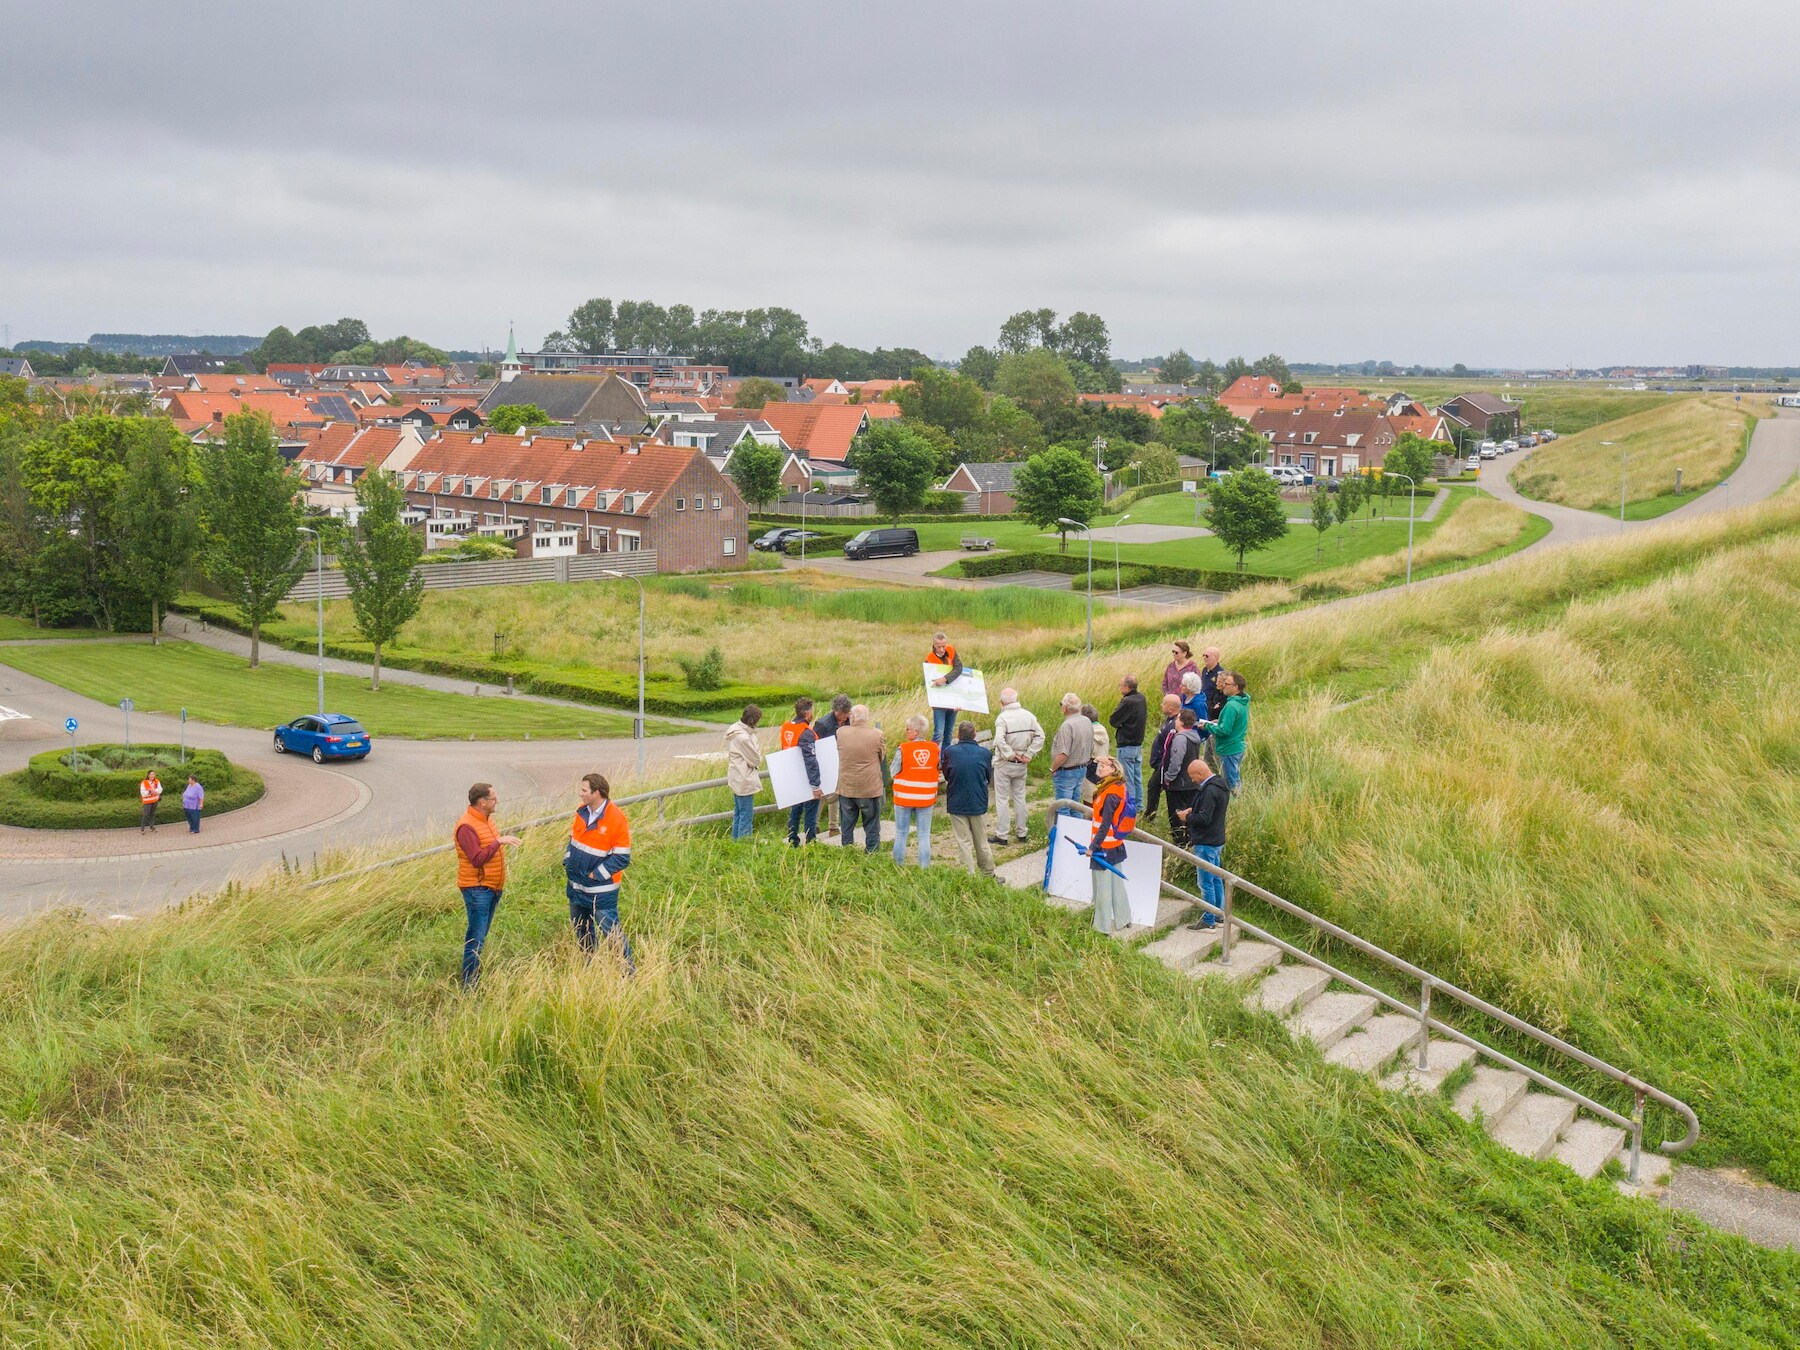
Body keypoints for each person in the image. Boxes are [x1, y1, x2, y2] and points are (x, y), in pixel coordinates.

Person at [454, 782, 523, 988]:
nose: (497, 801)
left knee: (480, 935)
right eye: (493, 798)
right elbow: (476, 859)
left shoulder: (486, 820)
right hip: (477, 889)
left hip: (491, 887)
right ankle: (469, 984)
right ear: (482, 802)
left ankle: (473, 975)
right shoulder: (467, 826)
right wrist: (498, 842)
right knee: (475, 938)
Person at [564, 772, 634, 971]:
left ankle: (627, 973)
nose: (581, 794)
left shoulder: (616, 818)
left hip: (600, 891)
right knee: (582, 931)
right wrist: (568, 859)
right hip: (577, 887)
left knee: (611, 933)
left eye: (584, 790)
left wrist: (596, 875)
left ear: (597, 793)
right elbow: (573, 839)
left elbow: (622, 857)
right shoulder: (581, 811)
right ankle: (589, 968)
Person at [1176, 758, 1232, 930]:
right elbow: (1212, 811)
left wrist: (1188, 817)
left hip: (1206, 842)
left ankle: (1208, 920)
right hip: (1217, 839)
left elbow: (1204, 818)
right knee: (1216, 879)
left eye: (1193, 777)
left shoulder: (1208, 791)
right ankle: (1218, 915)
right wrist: (1195, 810)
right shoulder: (1221, 784)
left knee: (1205, 882)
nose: (1192, 780)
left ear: (1201, 773)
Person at [988, 686, 1044, 844]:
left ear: (1002, 702)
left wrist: (1010, 754)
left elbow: (999, 740)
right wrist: (1029, 754)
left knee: (1002, 799)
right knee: (1020, 797)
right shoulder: (1029, 716)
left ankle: (1002, 834)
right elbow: (1040, 736)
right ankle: (1021, 833)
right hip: (1022, 762)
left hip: (1005, 762)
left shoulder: (1002, 718)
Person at [1086, 755, 1132, 935]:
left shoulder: (1110, 794)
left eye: (1105, 766)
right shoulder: (1116, 785)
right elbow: (1090, 773)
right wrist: (1095, 760)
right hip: (1115, 845)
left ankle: (1102, 927)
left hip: (1103, 846)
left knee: (1103, 888)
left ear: (1114, 769)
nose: (1101, 768)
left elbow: (1105, 825)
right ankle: (1124, 918)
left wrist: (1092, 847)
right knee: (1116, 884)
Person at [943, 719, 995, 877]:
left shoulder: (950, 752)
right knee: (981, 840)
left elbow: (947, 774)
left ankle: (969, 874)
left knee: (963, 841)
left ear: (958, 735)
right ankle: (988, 872)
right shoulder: (985, 753)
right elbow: (987, 776)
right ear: (975, 735)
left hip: (956, 800)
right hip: (978, 800)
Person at [835, 704, 887, 854]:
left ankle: (848, 851)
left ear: (852, 717)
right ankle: (872, 852)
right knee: (871, 825)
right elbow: (881, 757)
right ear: (867, 718)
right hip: (869, 788)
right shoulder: (877, 734)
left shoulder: (841, 732)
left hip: (847, 787)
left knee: (846, 824)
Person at [890, 714, 940, 867]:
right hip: (926, 798)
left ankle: (898, 866)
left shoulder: (903, 749)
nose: (906, 732)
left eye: (908, 729)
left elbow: (893, 771)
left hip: (904, 798)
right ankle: (924, 868)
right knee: (924, 835)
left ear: (916, 732)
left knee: (901, 833)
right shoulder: (934, 749)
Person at [779, 697, 823, 846]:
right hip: (805, 777)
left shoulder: (786, 727)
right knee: (811, 810)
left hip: (791, 775)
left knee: (795, 810)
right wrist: (815, 785)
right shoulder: (806, 732)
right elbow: (811, 760)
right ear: (808, 713)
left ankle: (793, 839)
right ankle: (810, 842)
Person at [1200, 670, 1251, 792]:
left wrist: (1207, 726)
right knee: (1234, 778)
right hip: (1237, 746)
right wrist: (1220, 720)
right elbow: (1233, 722)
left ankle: (1236, 805)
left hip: (1229, 748)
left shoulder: (1231, 706)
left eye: (1227, 684)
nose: (1224, 686)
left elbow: (1224, 730)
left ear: (1236, 687)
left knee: (1231, 782)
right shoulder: (1242, 701)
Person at [1160, 709, 1204, 842]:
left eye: (1178, 718)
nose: (1175, 721)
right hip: (1192, 783)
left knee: (1177, 818)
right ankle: (1190, 843)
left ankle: (1180, 846)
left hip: (1178, 785)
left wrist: (1167, 778)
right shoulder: (1195, 737)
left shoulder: (1180, 739)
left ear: (1182, 722)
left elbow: (1176, 763)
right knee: (1190, 816)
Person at [1048, 694, 1093, 819]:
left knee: (1063, 809)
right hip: (1081, 768)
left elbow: (1063, 754)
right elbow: (1091, 745)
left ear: (1065, 708)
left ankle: (1064, 836)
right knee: (1076, 807)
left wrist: (1053, 768)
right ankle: (1077, 834)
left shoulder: (1067, 726)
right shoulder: (1086, 721)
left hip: (1067, 771)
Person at [812, 694, 851, 836]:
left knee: (835, 793)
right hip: (824, 763)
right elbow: (815, 744)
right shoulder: (823, 724)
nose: (847, 716)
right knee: (822, 794)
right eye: (844, 714)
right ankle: (814, 825)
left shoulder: (848, 721)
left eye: (848, 713)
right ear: (837, 711)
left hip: (840, 761)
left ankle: (833, 827)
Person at [724, 704, 763, 841]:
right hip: (744, 778)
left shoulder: (736, 731)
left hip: (736, 777)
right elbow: (755, 760)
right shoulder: (744, 738)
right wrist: (759, 756)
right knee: (746, 815)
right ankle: (743, 843)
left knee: (739, 813)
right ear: (753, 720)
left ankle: (735, 842)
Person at [924, 631, 966, 758]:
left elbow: (959, 668)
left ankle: (944, 760)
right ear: (934, 645)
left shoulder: (951, 650)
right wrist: (940, 681)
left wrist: (945, 679)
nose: (942, 649)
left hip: (953, 699)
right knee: (938, 733)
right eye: (939, 646)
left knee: (949, 733)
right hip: (939, 701)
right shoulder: (929, 659)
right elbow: (929, 681)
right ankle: (931, 758)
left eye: (943, 646)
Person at [1109, 675, 1147, 808]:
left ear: (1126, 687)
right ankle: (1139, 805)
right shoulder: (1141, 698)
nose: (1120, 688)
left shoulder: (1128, 701)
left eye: (1120, 685)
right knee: (1137, 777)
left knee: (1127, 777)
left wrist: (1121, 724)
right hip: (1137, 743)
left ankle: (1129, 807)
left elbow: (1113, 720)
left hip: (1126, 743)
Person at [1144, 693, 1181, 825]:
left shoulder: (1174, 725)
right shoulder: (1169, 720)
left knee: (1153, 787)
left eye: (1164, 703)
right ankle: (1150, 814)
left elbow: (1170, 748)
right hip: (1160, 764)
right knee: (1152, 787)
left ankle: (1150, 816)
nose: (1161, 705)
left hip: (1164, 765)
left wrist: (1161, 764)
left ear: (1171, 708)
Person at [1199, 646, 1226, 769]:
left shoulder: (1220, 673)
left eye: (1207, 656)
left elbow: (1219, 699)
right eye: (1203, 655)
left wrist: (1214, 706)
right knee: (1207, 747)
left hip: (1216, 718)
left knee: (1214, 751)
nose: (1204, 658)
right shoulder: (1204, 671)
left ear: (1215, 658)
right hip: (1206, 708)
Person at [1082, 702, 1108, 786]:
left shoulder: (1087, 732)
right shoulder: (1103, 729)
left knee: (1088, 796)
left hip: (1090, 768)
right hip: (1104, 766)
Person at [138, 770, 162, 834]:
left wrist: (153, 790)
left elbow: (160, 789)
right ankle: (142, 829)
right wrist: (149, 792)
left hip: (155, 800)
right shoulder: (144, 782)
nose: (152, 776)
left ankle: (152, 827)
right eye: (151, 774)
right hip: (147, 801)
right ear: (148, 775)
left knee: (152, 814)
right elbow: (142, 792)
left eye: (153, 774)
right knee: (146, 814)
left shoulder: (157, 781)